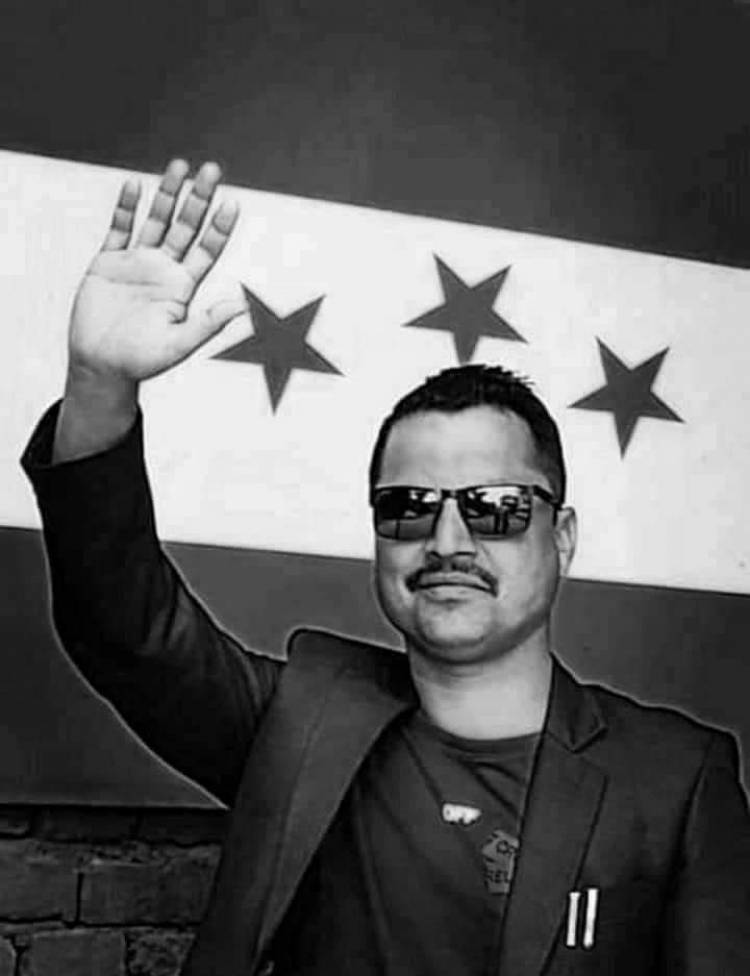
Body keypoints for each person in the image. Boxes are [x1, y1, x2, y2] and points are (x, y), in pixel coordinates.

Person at [22, 160, 750, 975]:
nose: (447, 540)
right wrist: (99, 386)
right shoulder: (299, 726)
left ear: (564, 537)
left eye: (495, 507)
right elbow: (125, 627)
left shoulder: (676, 780)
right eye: (408, 506)